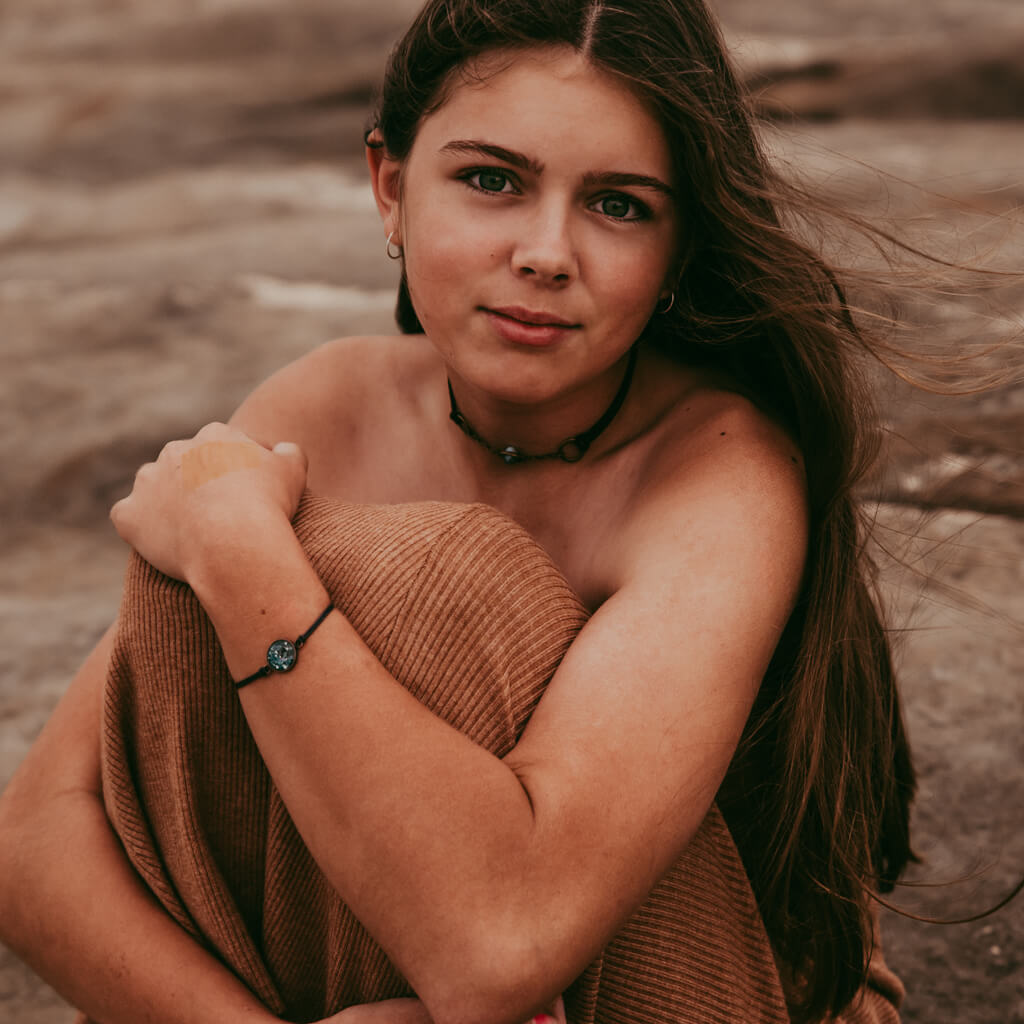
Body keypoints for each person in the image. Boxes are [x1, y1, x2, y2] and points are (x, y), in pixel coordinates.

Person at [0, 0, 919, 1021]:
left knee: (410, 569)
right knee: (202, 566)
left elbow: (501, 941)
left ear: (677, 250)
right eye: (492, 180)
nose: (544, 252)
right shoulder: (326, 409)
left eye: (618, 206)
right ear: (390, 189)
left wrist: (238, 551)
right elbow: (36, 833)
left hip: (709, 987)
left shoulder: (719, 471)